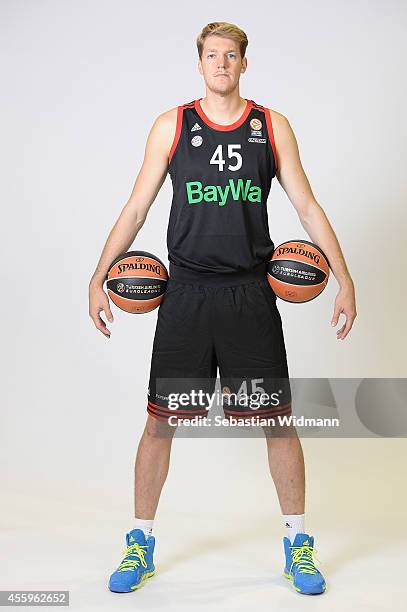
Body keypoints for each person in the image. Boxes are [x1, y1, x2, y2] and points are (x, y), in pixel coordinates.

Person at [88, 21, 357, 596]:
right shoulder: (172, 125)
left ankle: (297, 545)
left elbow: (306, 206)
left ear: (243, 63)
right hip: (185, 293)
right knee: (160, 422)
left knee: (278, 421)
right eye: (212, 55)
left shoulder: (271, 125)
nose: (221, 64)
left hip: (250, 295)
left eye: (230, 55)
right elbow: (137, 207)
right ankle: (140, 542)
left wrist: (344, 277)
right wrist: (98, 274)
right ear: (200, 62)